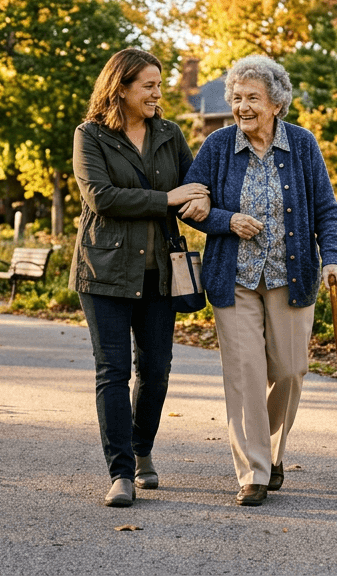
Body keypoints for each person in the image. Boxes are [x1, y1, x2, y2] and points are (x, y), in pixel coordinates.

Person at [183, 55, 337, 507]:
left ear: (276, 102)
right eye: (236, 98)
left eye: (252, 97)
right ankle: (253, 470)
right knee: (245, 375)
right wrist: (226, 219)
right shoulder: (217, 146)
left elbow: (326, 210)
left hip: (290, 276)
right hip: (232, 278)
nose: (242, 107)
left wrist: (332, 257)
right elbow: (189, 203)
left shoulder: (302, 144)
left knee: (290, 372)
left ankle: (271, 450)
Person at [71, 47, 209, 508]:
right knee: (112, 372)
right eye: (148, 85)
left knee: (155, 369)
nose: (157, 93)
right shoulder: (89, 135)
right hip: (105, 271)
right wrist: (168, 199)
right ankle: (121, 473)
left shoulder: (169, 135)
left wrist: (205, 205)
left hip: (160, 273)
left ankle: (141, 447)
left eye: (158, 84)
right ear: (121, 88)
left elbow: (194, 187)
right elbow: (101, 197)